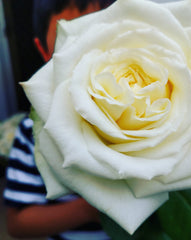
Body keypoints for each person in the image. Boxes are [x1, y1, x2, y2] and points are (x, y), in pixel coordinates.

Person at [3, 1, 115, 239]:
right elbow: (17, 224)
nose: (85, 59)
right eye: (68, 43)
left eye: (98, 38)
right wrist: (89, 208)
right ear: (43, 51)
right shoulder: (32, 133)